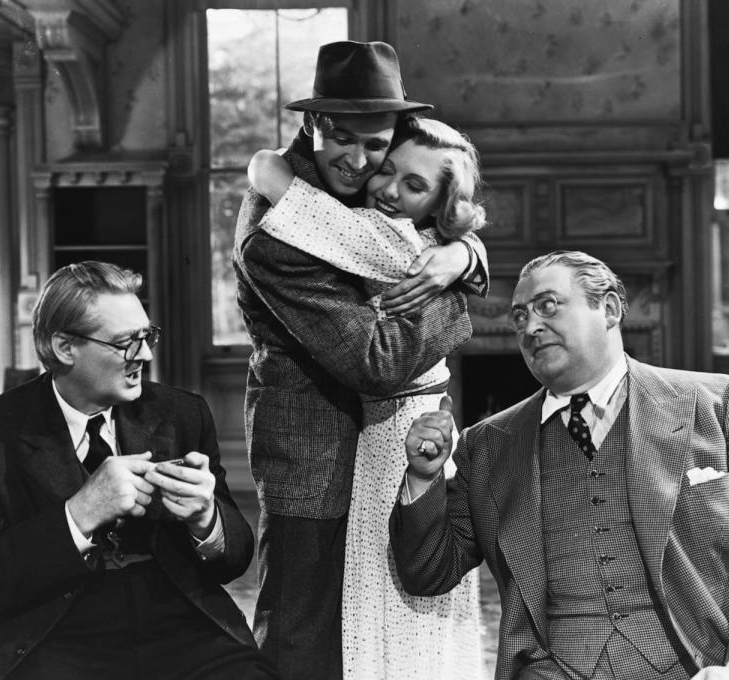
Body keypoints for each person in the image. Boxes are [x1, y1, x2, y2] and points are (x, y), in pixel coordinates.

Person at [390, 250, 729, 680]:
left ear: (609, 309)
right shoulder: (486, 446)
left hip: (704, 666)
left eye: (548, 306)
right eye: (519, 317)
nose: (531, 327)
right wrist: (423, 478)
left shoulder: (717, 403)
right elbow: (428, 572)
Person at [233, 40, 488, 680]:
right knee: (304, 641)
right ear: (311, 122)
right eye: (342, 137)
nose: (359, 160)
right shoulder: (278, 226)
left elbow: (433, 228)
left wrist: (465, 255)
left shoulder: (367, 194)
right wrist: (454, 290)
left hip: (388, 449)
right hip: (313, 458)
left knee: (391, 629)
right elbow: (377, 360)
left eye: (376, 145)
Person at [0, 261, 277, 680]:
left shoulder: (181, 413)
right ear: (65, 348)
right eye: (125, 343)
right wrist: (79, 514)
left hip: (178, 621)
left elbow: (234, 560)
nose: (146, 355)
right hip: (54, 633)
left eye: (146, 336)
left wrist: (207, 519)